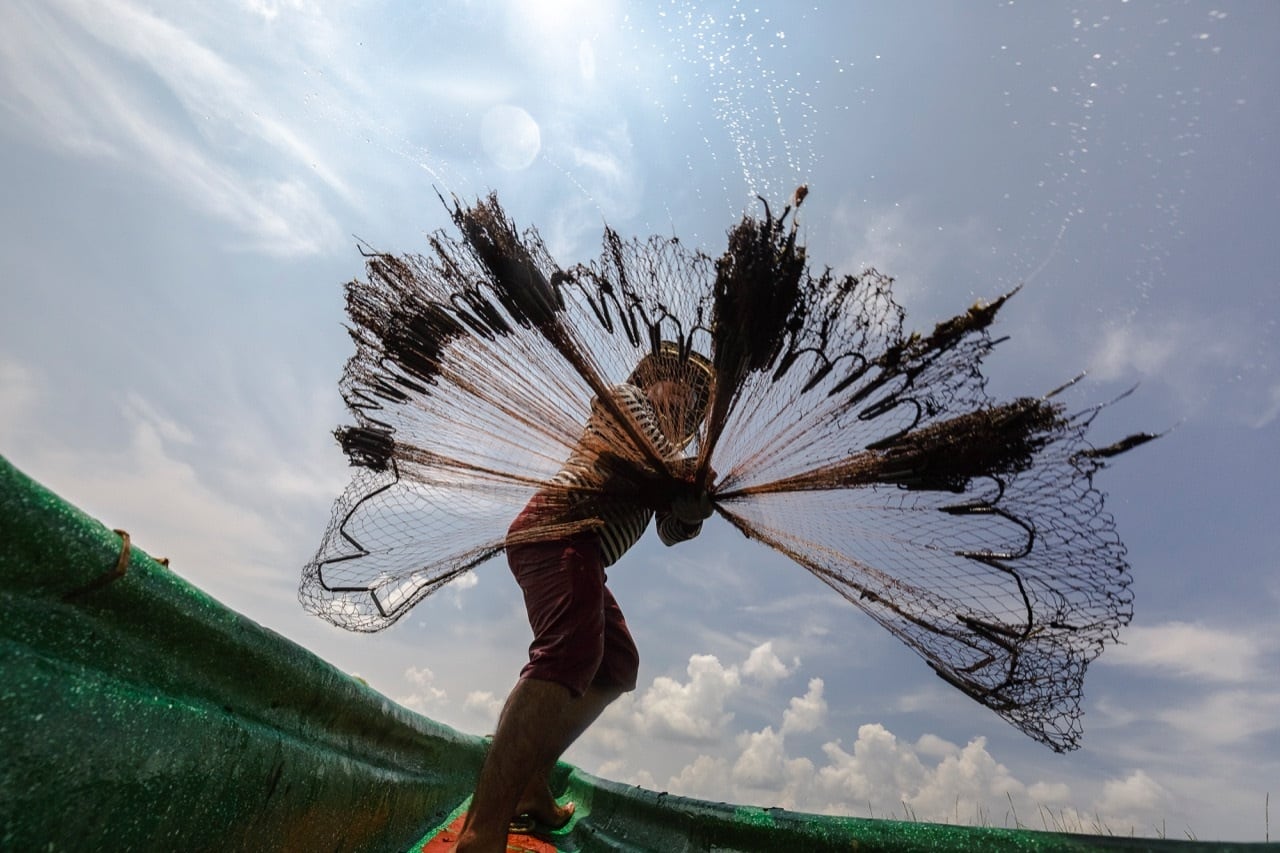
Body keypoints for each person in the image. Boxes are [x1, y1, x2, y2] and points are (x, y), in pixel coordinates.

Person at [453, 343, 715, 852]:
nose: (691, 406)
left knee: (616, 665)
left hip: (585, 550)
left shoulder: (670, 456)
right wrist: (681, 476)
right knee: (570, 654)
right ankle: (481, 832)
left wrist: (692, 509)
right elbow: (630, 455)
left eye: (700, 406)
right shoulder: (628, 403)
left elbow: (669, 529)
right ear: (651, 378)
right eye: (685, 388)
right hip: (559, 525)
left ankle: (532, 784)